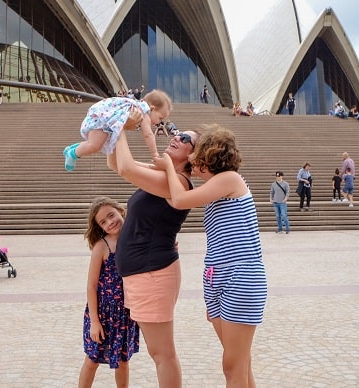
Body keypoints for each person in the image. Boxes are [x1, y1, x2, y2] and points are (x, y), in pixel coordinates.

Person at [153, 124, 267, 387]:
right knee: (240, 363)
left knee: (232, 365)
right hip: (217, 277)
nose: (193, 163)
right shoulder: (215, 187)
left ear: (210, 155)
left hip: (241, 276)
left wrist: (170, 166)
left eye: (198, 155)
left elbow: (179, 200)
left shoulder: (230, 179)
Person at [107, 128, 198, 388]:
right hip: (143, 274)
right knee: (157, 352)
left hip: (153, 274)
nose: (177, 137)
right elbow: (115, 163)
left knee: (162, 353)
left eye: (185, 139)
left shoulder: (179, 183)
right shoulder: (164, 173)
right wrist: (114, 133)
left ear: (193, 155)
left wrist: (120, 123)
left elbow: (125, 168)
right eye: (178, 133)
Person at [78, 197, 139, 388]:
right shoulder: (101, 246)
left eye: (111, 216)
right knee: (92, 359)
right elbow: (91, 285)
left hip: (125, 313)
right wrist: (95, 321)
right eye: (103, 222)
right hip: (102, 313)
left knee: (123, 361)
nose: (109, 222)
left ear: (120, 211)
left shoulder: (135, 238)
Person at [63, 89, 172, 172]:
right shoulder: (144, 111)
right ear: (152, 108)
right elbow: (148, 135)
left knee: (95, 145)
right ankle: (72, 153)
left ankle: (73, 149)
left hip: (105, 122)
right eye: (160, 118)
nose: (159, 122)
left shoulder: (138, 108)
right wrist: (155, 155)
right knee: (94, 146)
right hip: (102, 120)